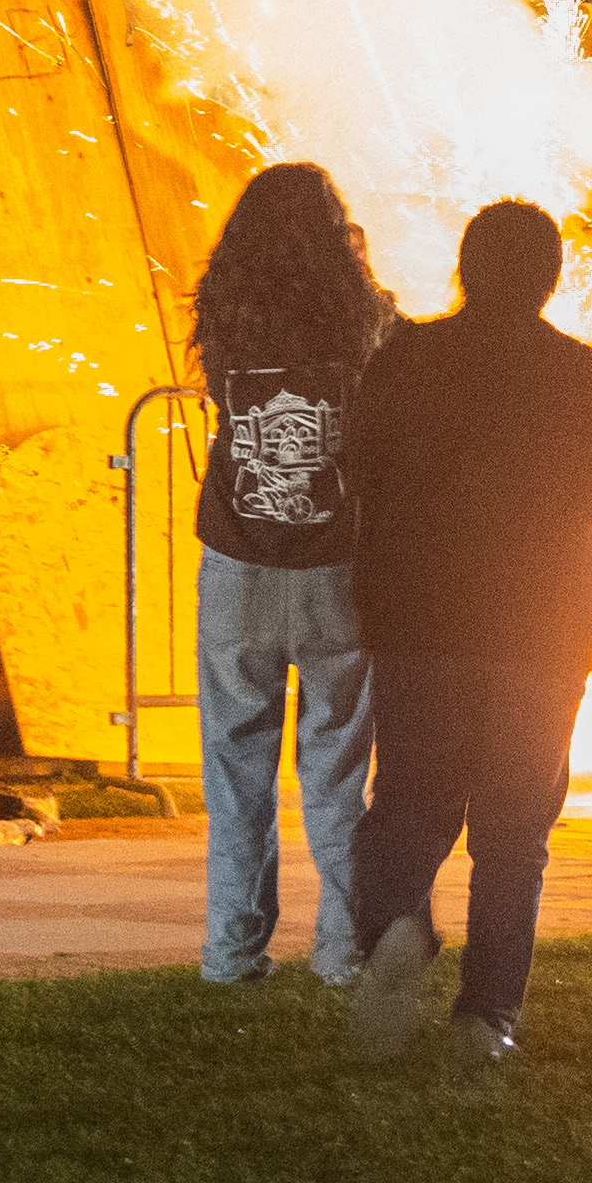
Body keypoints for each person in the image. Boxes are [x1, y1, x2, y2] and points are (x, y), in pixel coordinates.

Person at [338, 199, 592, 1064]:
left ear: (463, 269)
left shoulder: (407, 360)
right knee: (515, 833)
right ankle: (485, 1021)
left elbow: (353, 465)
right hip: (543, 633)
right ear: (552, 278)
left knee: (406, 804)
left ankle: (396, 928)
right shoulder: (583, 373)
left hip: (421, 622)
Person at [186, 166, 391, 987]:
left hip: (238, 562)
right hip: (336, 566)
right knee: (339, 768)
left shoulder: (224, 318)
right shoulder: (363, 319)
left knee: (235, 767)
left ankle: (231, 952)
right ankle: (344, 951)